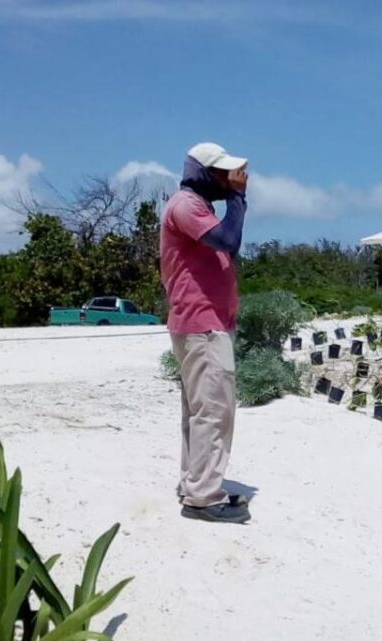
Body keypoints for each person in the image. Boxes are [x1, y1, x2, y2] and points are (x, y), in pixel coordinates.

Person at [161, 142, 252, 524]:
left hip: (204, 325)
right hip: (203, 326)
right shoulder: (186, 206)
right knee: (214, 412)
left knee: (201, 412)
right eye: (221, 172)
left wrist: (231, 198)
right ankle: (202, 498)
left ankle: (195, 484)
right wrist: (238, 198)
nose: (228, 178)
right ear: (201, 172)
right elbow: (229, 241)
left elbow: (227, 247)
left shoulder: (198, 208)